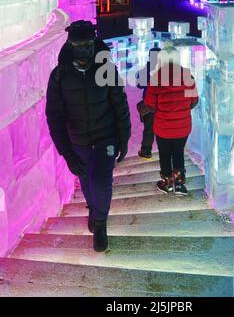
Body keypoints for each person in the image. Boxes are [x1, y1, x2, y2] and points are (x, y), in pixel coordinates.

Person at [46, 20, 131, 252]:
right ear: (70, 45)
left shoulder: (106, 69)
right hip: (78, 141)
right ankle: (93, 208)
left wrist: (124, 137)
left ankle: (101, 224)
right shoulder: (59, 76)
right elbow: (54, 117)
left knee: (102, 182)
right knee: (85, 180)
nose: (84, 50)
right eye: (78, 45)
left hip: (106, 138)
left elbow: (119, 103)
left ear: (94, 43)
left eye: (88, 45)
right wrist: (67, 154)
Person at [138, 45, 198, 196]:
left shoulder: (156, 79)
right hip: (183, 127)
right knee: (178, 152)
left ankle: (168, 183)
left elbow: (150, 105)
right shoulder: (188, 77)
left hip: (163, 127)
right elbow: (194, 101)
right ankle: (180, 185)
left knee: (165, 154)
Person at [136, 48, 161, 159]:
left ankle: (146, 150)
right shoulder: (164, 68)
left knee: (149, 128)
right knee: (163, 128)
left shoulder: (147, 69)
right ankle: (164, 150)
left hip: (149, 103)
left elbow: (139, 84)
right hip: (163, 103)